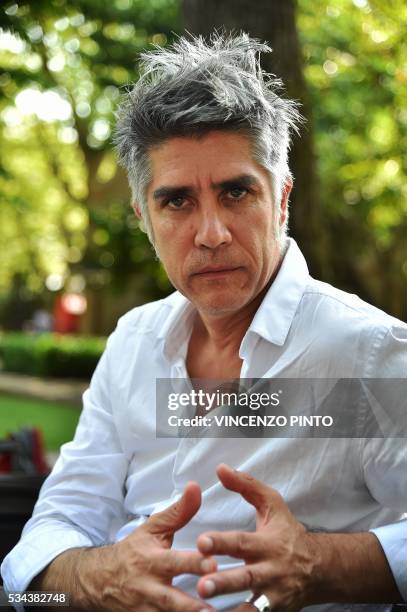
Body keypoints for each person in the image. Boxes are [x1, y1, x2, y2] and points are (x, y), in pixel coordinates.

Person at [1, 33, 406, 612]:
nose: (211, 233)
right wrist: (94, 578)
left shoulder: (364, 349)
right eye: (177, 201)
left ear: (282, 199)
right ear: (144, 216)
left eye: (236, 192)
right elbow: (58, 524)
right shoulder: (133, 342)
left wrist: (319, 567)